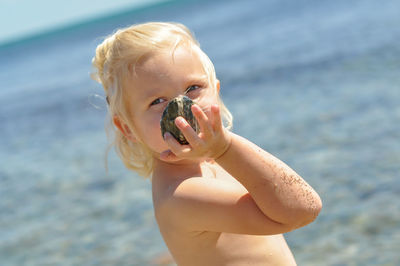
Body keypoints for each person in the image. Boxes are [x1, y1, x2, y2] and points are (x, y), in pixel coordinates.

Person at [92, 22, 322, 266]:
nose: (182, 107)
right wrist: (225, 147)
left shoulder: (214, 163)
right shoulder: (183, 194)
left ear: (216, 90)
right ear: (128, 128)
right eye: (158, 101)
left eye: (193, 88)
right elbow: (305, 209)